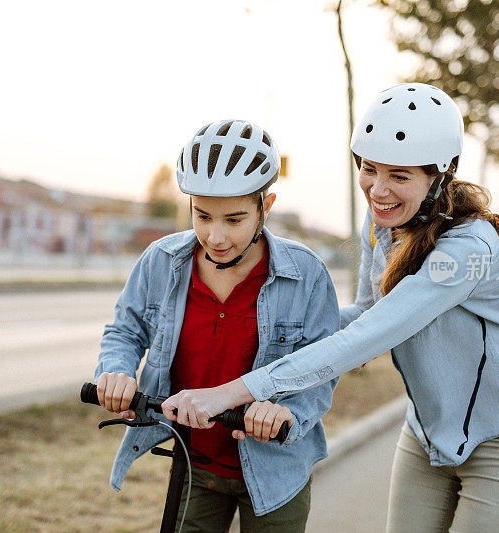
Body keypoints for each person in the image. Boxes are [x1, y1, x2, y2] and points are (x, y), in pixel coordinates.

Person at [161, 84, 499, 532]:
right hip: (427, 435)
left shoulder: (469, 247)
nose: (379, 189)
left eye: (400, 176)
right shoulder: (385, 224)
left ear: (441, 174)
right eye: (369, 169)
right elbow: (363, 315)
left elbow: (370, 336)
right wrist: (262, 330)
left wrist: (234, 391)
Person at [94, 119, 340, 532]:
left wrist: (285, 413)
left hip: (276, 473)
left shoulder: (307, 274)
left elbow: (322, 369)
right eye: (202, 215)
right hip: (194, 463)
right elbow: (125, 330)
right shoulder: (161, 261)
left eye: (234, 219)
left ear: (267, 205)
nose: (215, 236)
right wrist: (115, 371)